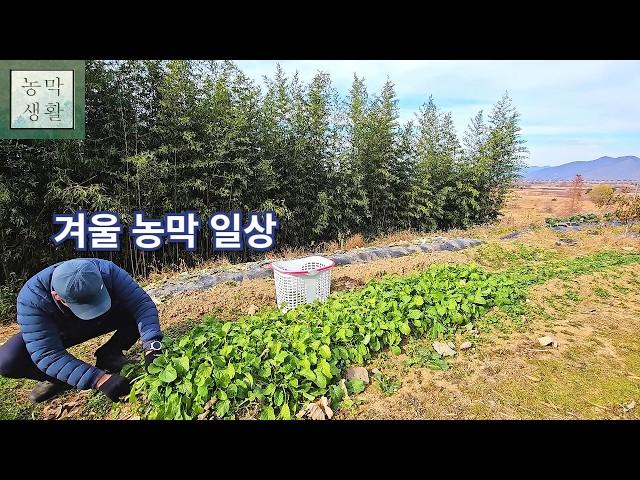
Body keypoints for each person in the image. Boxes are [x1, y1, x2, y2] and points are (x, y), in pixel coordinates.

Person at [0, 258, 163, 403]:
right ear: (57, 296)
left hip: (104, 318)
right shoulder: (32, 299)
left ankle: (110, 355)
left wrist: (152, 345)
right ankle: (58, 379)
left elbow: (142, 305)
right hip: (61, 332)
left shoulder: (106, 270)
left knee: (136, 312)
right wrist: (98, 379)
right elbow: (46, 353)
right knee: (7, 361)